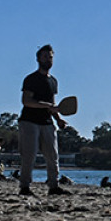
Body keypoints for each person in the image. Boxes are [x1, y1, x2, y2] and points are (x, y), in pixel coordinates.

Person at [18, 44, 70, 196]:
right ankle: (24, 187)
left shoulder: (53, 81)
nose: (48, 59)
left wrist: (58, 119)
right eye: (45, 56)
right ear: (38, 59)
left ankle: (53, 186)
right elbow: (26, 101)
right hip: (29, 122)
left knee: (52, 156)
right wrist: (47, 106)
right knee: (29, 155)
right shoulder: (31, 79)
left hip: (47, 122)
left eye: (51, 57)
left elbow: (52, 104)